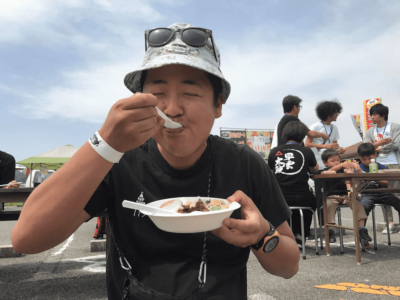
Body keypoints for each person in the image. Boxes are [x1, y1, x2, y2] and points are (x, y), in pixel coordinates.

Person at [12, 23, 299, 299]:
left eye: (191, 92)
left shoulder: (243, 163)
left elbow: (288, 267)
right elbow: (26, 239)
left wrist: (262, 236)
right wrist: (104, 143)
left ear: (218, 105)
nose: (172, 109)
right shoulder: (118, 159)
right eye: (158, 94)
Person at [268, 121, 318, 249]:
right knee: (312, 201)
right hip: (302, 198)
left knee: (287, 207)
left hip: (279, 199)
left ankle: (286, 236)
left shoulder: (274, 151)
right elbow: (315, 169)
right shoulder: (306, 151)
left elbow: (271, 172)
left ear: (285, 135)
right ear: (302, 137)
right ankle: (300, 236)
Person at [319, 149, 371, 245]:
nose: (336, 163)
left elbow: (352, 177)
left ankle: (361, 229)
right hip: (331, 196)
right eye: (333, 161)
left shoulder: (343, 169)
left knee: (359, 206)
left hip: (344, 196)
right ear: (325, 163)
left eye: (338, 160)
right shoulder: (325, 170)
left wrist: (356, 168)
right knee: (329, 205)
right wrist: (342, 165)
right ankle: (330, 231)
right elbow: (329, 172)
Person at [364, 103, 400, 234]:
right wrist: (379, 144)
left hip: (395, 163)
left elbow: (396, 143)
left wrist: (378, 148)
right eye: (371, 115)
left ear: (383, 115)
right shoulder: (370, 131)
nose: (372, 117)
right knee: (385, 194)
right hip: (377, 166)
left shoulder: (394, 127)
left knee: (396, 194)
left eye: (374, 114)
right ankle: (389, 223)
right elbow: (366, 148)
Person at [357, 143, 400, 247]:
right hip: (367, 192)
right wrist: (359, 173)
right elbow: (356, 184)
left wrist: (374, 176)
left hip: (382, 192)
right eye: (364, 159)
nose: (367, 161)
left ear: (374, 155)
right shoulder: (358, 167)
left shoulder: (380, 166)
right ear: (359, 157)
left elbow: (386, 183)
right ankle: (362, 233)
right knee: (363, 207)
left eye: (369, 158)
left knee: (397, 202)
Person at [305, 100, 346, 170]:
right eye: (335, 112)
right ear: (329, 113)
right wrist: (326, 146)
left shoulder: (334, 128)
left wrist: (339, 150)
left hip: (330, 162)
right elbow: (307, 144)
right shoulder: (315, 126)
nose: (337, 114)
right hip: (317, 159)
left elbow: (335, 147)